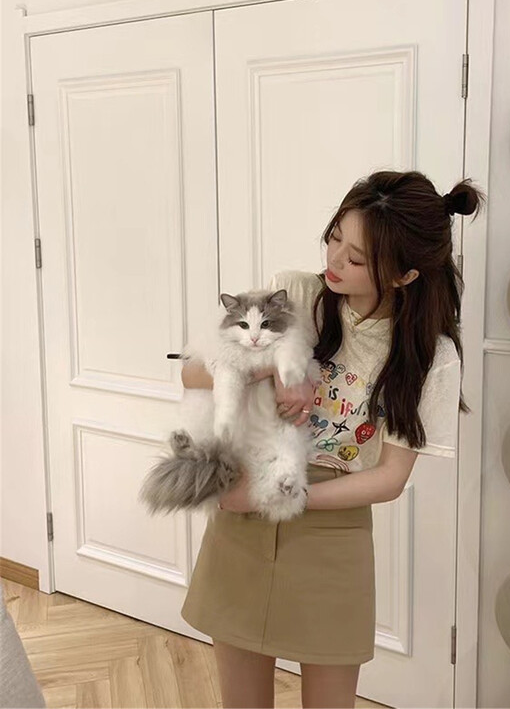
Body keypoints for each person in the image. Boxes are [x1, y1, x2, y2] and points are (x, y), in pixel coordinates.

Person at [180, 169, 486, 708]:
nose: (334, 260)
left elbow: (389, 478)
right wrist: (276, 368)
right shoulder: (296, 294)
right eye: (335, 237)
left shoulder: (430, 355)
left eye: (357, 258)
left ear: (405, 275)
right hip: (242, 516)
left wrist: (279, 497)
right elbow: (191, 372)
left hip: (330, 531)